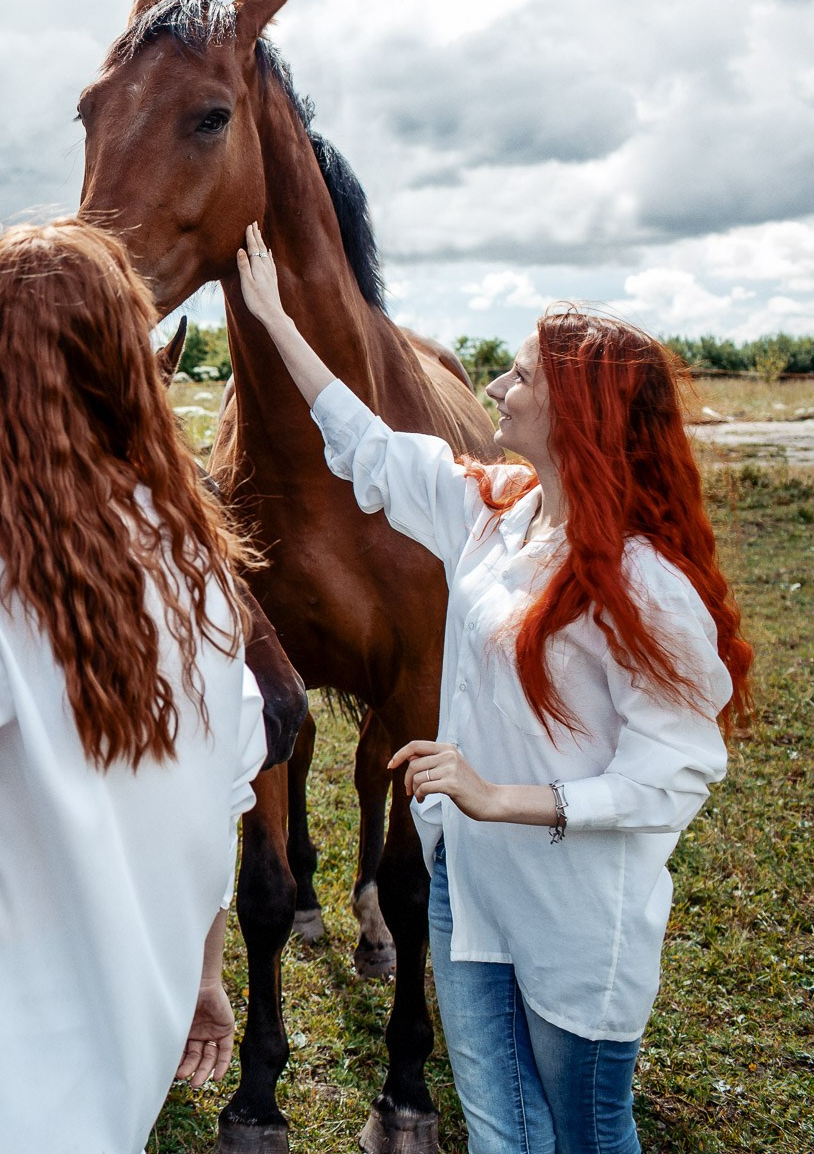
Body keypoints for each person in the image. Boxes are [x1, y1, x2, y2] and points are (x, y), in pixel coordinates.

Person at [233, 221, 751, 1154]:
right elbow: (373, 447)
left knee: (589, 1133)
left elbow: (672, 778)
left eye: (520, 377)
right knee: (505, 1134)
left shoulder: (644, 584)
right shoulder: (497, 512)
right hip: (464, 895)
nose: (497, 389)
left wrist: (496, 796)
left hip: (572, 918)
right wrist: (273, 316)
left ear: (579, 413)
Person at [0, 220, 267, 1154]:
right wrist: (201, 967)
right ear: (123, 362)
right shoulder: (196, 556)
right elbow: (225, 783)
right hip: (129, 1060)